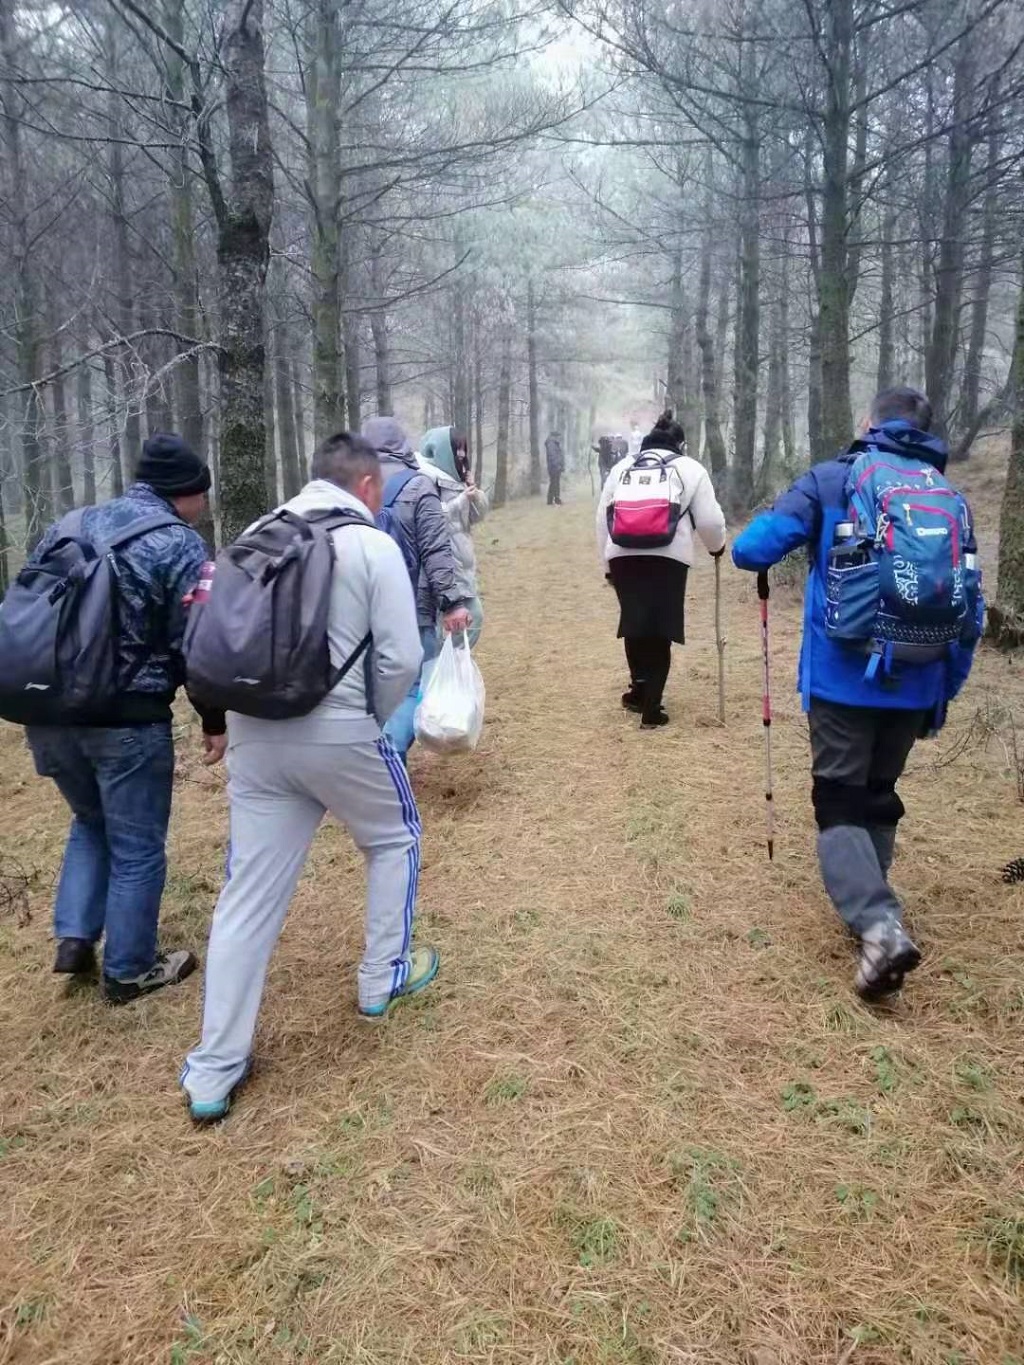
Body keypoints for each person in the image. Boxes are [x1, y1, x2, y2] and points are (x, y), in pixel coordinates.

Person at [181, 432, 435, 1124]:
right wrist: (369, 722)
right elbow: (402, 658)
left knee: (247, 894)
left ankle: (214, 1067)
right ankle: (381, 978)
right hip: (340, 726)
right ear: (368, 488)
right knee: (393, 838)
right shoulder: (371, 544)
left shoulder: (260, 531)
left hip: (255, 732)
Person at [731, 386, 983, 999]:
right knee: (879, 791)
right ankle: (876, 911)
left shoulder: (833, 479)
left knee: (840, 797)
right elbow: (969, 607)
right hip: (919, 675)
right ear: (926, 431)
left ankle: (877, 924)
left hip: (845, 676)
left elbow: (751, 549)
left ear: (869, 421)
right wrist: (943, 690)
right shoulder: (947, 495)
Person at [19, 435, 225, 1003]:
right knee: (137, 845)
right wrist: (214, 718)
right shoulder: (178, 544)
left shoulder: (72, 523)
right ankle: (130, 970)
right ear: (184, 494)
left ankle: (75, 939)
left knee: (90, 821)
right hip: (125, 718)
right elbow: (196, 644)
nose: (202, 507)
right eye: (200, 496)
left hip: (47, 709)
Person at [597, 410, 726, 728]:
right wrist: (716, 547)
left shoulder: (622, 467)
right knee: (661, 627)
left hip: (623, 553)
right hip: (668, 556)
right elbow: (709, 520)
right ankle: (652, 708)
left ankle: (638, 692)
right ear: (681, 443)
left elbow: (603, 515)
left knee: (635, 622)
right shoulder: (690, 468)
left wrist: (607, 563)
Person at [361, 416, 472, 760]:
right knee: (411, 689)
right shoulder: (418, 485)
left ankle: (373, 764)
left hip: (359, 608)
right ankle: (388, 759)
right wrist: (452, 602)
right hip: (412, 607)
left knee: (370, 689)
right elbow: (436, 549)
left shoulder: (353, 485)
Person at [419, 426, 489, 649]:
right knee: (460, 624)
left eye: (463, 449)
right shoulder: (425, 481)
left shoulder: (455, 479)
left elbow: (475, 518)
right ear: (442, 451)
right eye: (456, 449)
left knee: (471, 619)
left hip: (463, 569)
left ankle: (453, 673)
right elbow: (431, 522)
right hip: (444, 570)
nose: (461, 454)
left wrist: (473, 492)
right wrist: (459, 502)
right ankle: (445, 675)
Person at [545, 431, 564, 506]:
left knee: (553, 483)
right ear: (555, 436)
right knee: (555, 483)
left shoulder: (553, 443)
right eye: (558, 436)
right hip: (554, 467)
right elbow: (552, 456)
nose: (559, 438)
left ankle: (550, 500)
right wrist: (557, 465)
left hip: (555, 466)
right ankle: (556, 499)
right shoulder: (551, 444)